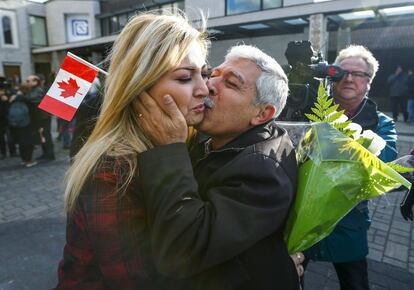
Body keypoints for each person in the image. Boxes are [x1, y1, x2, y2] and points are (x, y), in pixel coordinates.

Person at [54, 12, 212, 289]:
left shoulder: (192, 138)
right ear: (140, 86)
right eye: (186, 77)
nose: (204, 89)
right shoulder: (113, 170)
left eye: (205, 73)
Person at [134, 44, 301, 289]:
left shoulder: (264, 171)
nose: (207, 86)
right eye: (212, 74)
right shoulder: (217, 137)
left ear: (262, 113)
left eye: (231, 84)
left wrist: (169, 151)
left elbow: (181, 251)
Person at [304, 45, 397, 290]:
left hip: (348, 223)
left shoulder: (381, 122)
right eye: (341, 72)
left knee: (356, 284)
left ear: (369, 82)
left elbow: (385, 161)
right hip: (301, 216)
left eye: (358, 74)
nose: (348, 78)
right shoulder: (307, 108)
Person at [25, 74, 55, 161]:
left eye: (28, 81)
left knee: (46, 135)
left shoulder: (38, 90)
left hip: (43, 117)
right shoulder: (35, 89)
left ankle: (49, 155)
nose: (26, 83)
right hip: (40, 117)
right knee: (42, 135)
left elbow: (31, 99)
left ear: (35, 81)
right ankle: (46, 153)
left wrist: (19, 97)